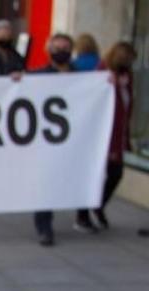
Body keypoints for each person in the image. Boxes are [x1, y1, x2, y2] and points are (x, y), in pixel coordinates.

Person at [78, 41, 136, 232]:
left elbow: (127, 107)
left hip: (118, 134)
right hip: (102, 135)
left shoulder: (127, 77)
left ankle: (98, 204)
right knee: (94, 174)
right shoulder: (103, 73)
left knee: (115, 173)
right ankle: (83, 215)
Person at [30, 33, 76, 245]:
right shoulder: (39, 76)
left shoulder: (82, 76)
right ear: (49, 51)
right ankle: (44, 226)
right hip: (47, 139)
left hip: (75, 137)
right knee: (46, 181)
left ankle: (84, 215)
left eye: (66, 48)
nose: (62, 52)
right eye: (57, 48)